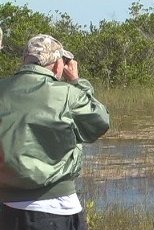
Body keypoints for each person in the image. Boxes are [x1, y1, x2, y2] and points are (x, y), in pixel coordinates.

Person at [0, 34, 110, 230]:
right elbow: (100, 122)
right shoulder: (68, 94)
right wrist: (77, 81)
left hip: (7, 209)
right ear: (58, 64)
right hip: (58, 208)